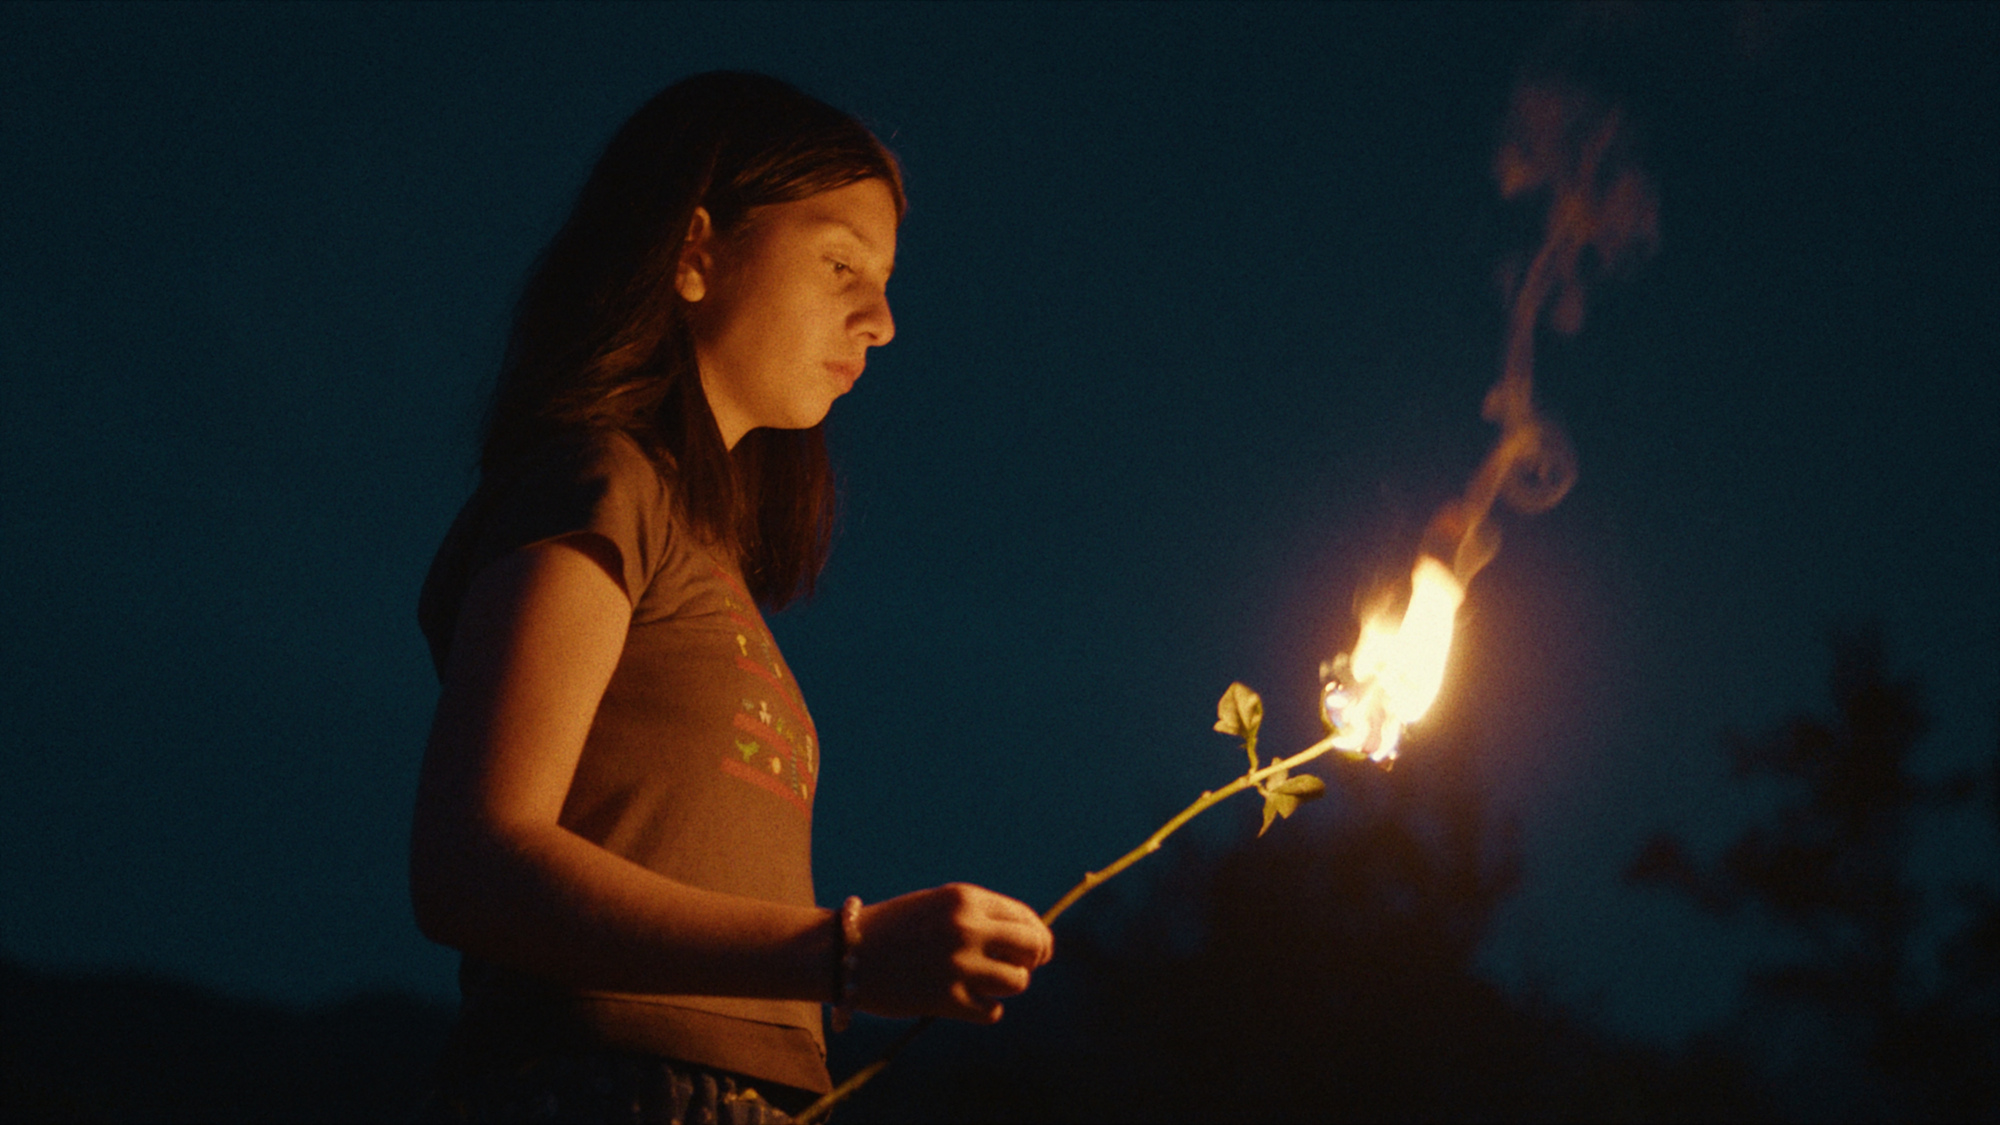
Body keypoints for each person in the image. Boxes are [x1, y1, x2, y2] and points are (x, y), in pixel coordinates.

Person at [410, 71, 1055, 1123]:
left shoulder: (706, 558)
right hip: (607, 1090)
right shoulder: (599, 482)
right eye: (840, 263)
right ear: (694, 251)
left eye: (884, 282)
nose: (882, 320)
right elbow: (469, 864)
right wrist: (845, 954)